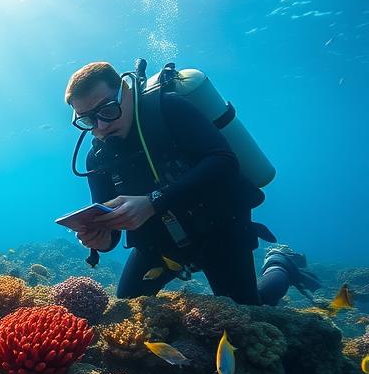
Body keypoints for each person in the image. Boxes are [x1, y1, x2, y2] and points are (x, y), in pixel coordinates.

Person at [64, 60, 320, 306]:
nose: (101, 126)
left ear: (126, 92)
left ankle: (280, 265)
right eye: (87, 120)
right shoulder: (97, 158)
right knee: (127, 306)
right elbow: (111, 229)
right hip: (160, 244)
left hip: (219, 230)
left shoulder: (169, 109)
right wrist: (101, 239)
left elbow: (224, 162)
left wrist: (153, 203)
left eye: (108, 109)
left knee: (247, 314)